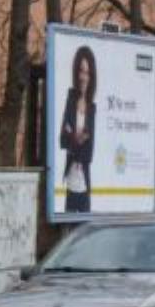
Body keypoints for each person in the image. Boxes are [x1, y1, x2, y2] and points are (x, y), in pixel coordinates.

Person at [58, 45, 97, 213]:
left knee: (85, 222)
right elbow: (63, 140)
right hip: (71, 177)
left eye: (87, 73)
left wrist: (74, 139)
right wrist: (78, 139)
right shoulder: (70, 100)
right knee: (68, 222)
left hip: (84, 179)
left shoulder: (92, 108)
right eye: (81, 71)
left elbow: (89, 152)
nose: (83, 77)